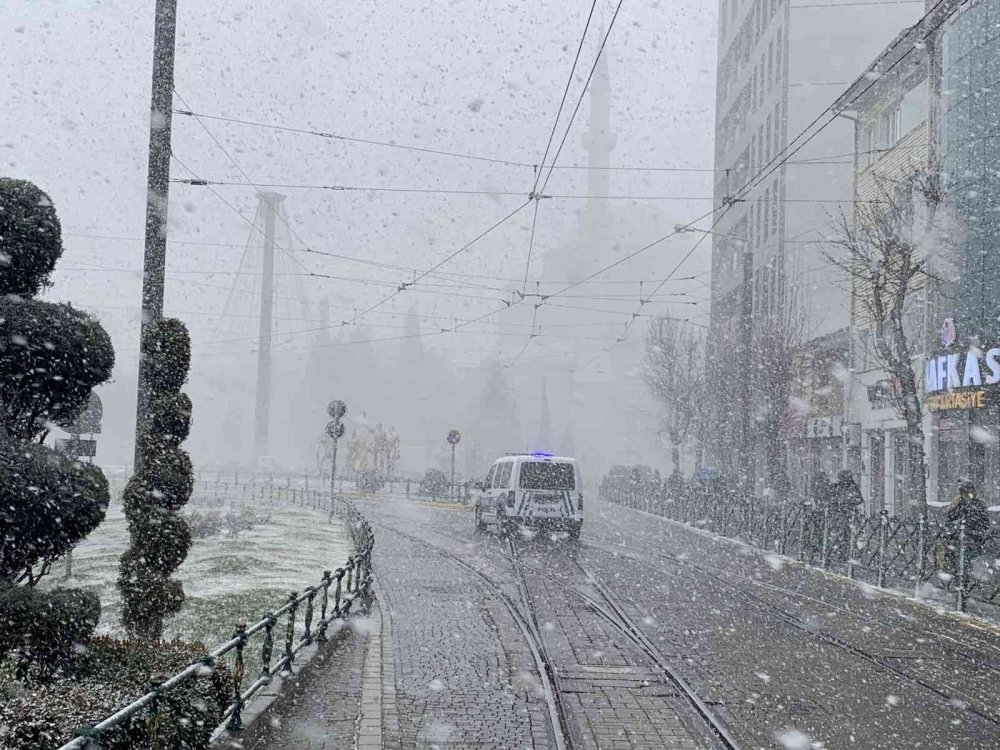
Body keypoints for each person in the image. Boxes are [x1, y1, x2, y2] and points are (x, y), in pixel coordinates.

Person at [936, 481, 990, 577]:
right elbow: (949, 519)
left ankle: (960, 574)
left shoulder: (977, 505)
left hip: (972, 539)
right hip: (960, 538)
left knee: (962, 556)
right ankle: (956, 572)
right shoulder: (959, 504)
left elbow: (984, 524)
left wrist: (970, 528)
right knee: (951, 550)